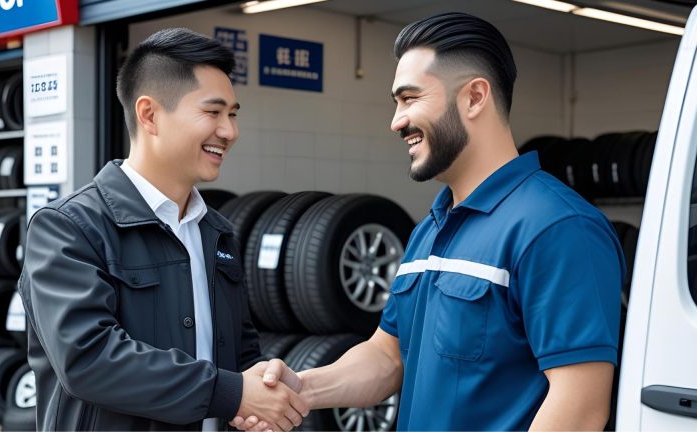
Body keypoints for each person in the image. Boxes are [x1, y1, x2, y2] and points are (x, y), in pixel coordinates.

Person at [232, 12, 623, 431]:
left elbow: (579, 409)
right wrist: (301, 388)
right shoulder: (431, 229)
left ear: (474, 97)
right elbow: (387, 357)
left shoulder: (558, 228)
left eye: (410, 99)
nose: (396, 121)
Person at [18, 28, 307, 431]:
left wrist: (261, 382)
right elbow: (88, 359)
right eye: (213, 112)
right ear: (149, 114)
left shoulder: (215, 232)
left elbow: (238, 351)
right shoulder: (69, 226)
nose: (230, 131)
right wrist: (232, 393)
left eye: (234, 114)